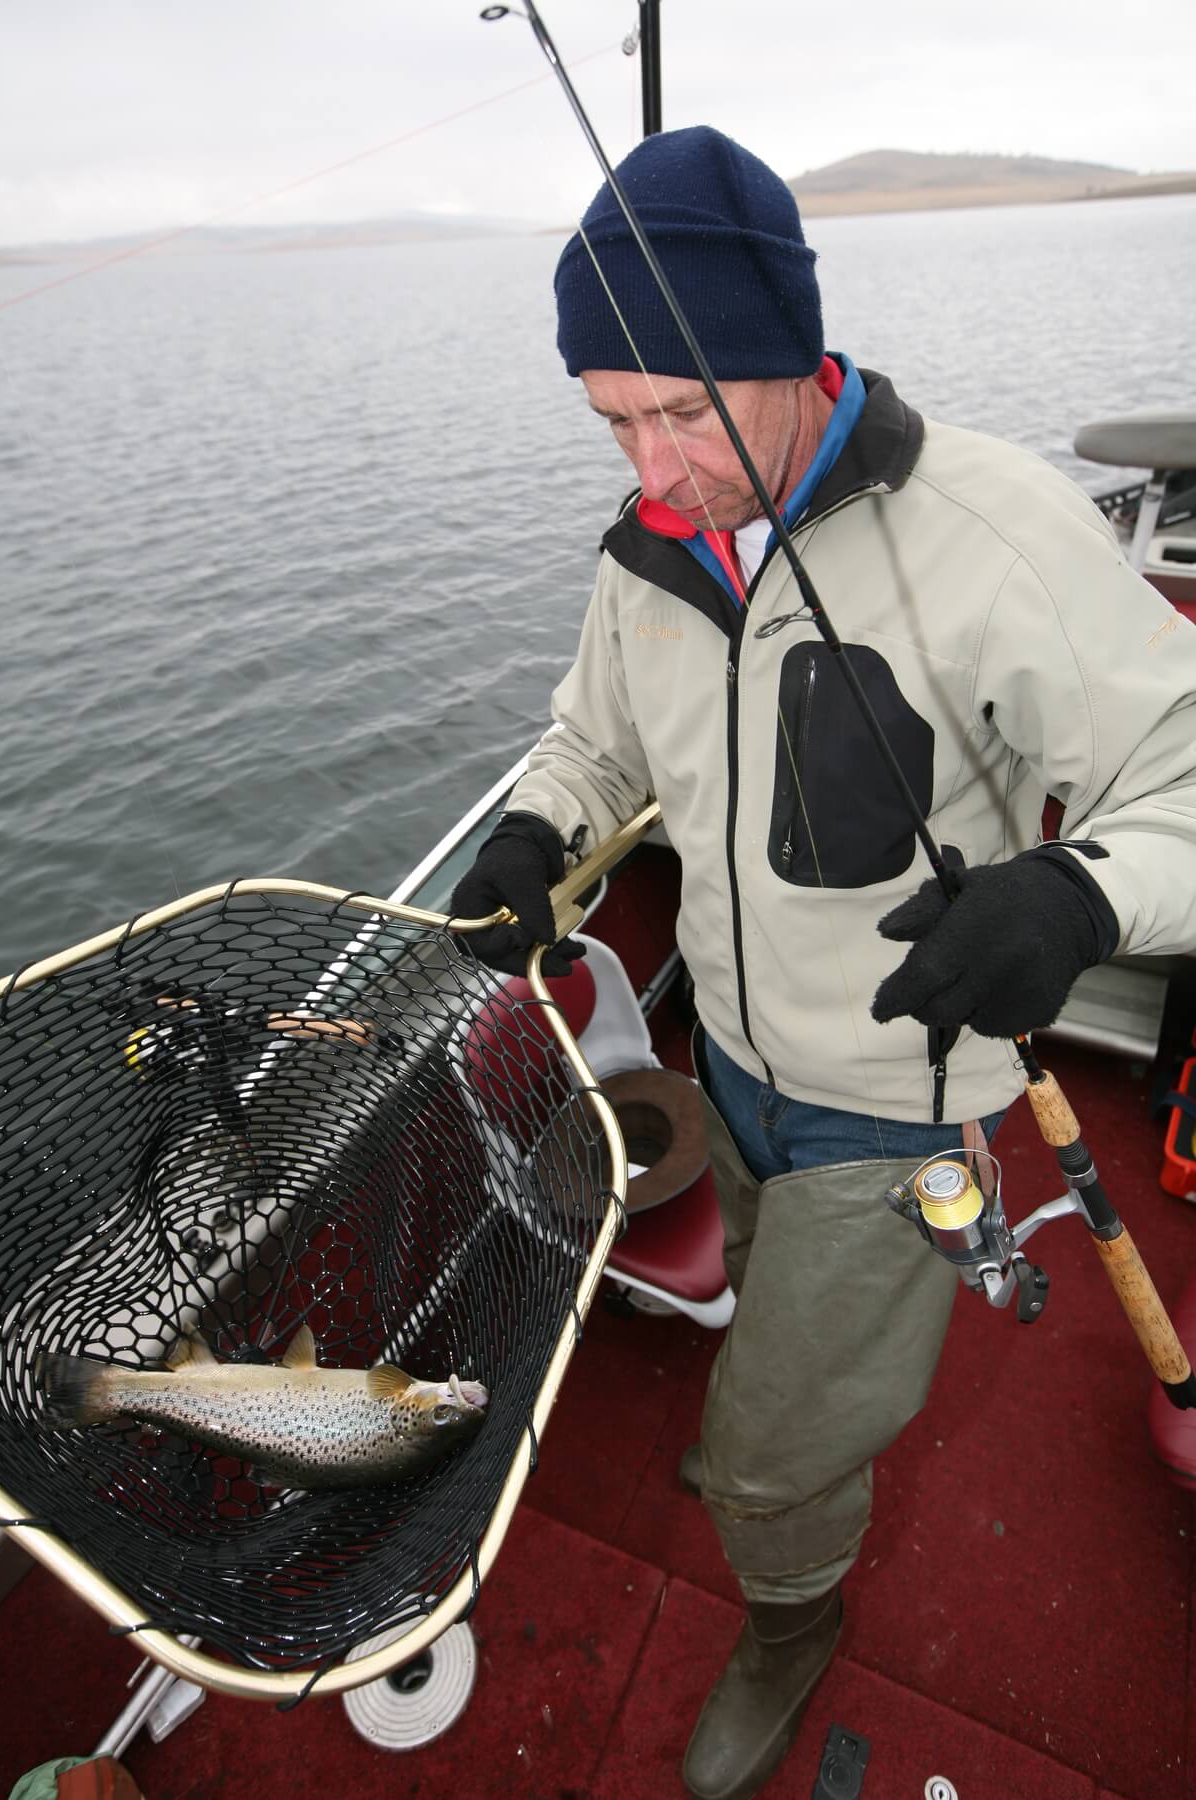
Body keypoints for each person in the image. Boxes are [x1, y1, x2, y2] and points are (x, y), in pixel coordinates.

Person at [450, 125, 1196, 1800]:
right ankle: (775, 1465)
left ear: (792, 348)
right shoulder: (651, 544)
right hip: (727, 1066)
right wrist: (534, 837)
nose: (654, 467)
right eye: (613, 420)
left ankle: (789, 1606)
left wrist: (1077, 898)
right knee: (765, 1353)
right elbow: (594, 742)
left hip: (898, 1113)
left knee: (773, 1449)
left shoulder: (993, 532)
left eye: (683, 411)